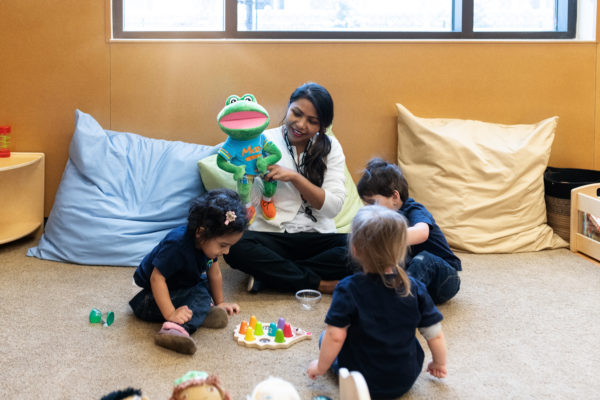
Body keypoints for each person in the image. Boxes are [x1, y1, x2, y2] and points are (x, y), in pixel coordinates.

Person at [223, 82, 352, 294]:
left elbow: (333, 208)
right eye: (297, 113)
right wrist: (251, 178)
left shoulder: (331, 147)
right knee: (235, 246)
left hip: (317, 235)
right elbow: (252, 204)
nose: (301, 125)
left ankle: (273, 275)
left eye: (312, 121)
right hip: (274, 236)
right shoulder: (262, 142)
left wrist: (294, 177)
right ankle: (319, 283)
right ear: (288, 107)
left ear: (323, 125)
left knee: (362, 248)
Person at [307, 205, 447, 399]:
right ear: (401, 249)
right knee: (406, 335)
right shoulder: (414, 288)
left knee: (325, 337)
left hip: (360, 380)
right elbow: (435, 335)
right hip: (405, 378)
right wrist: (438, 364)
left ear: (355, 249)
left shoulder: (348, 288)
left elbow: (336, 336)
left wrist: (320, 366)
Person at [129, 189, 247, 355]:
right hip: (146, 297)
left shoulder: (207, 246)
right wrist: (171, 313)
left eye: (229, 246)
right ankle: (175, 329)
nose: (226, 252)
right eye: (223, 245)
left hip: (175, 286)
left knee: (207, 285)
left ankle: (201, 311)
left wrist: (220, 303)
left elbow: (215, 274)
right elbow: (156, 278)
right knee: (201, 295)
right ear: (201, 232)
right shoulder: (177, 245)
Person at [356, 158, 461, 304]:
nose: (369, 209)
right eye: (366, 204)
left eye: (373, 203)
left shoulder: (414, 208)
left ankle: (399, 306)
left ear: (394, 197)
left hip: (444, 278)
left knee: (425, 258)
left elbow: (422, 232)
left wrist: (384, 239)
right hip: (418, 279)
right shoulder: (381, 219)